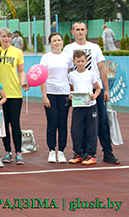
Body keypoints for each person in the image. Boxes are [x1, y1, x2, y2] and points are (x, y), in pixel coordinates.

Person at [63, 22, 119, 164]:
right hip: (79, 91)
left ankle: (107, 152)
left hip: (95, 90)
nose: (80, 32)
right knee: (80, 123)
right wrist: (70, 91)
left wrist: (106, 89)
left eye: (82, 29)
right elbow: (68, 71)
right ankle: (82, 152)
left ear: (86, 31)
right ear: (72, 32)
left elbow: (102, 68)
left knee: (102, 122)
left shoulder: (95, 47)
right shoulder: (68, 49)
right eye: (77, 30)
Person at [0, 27, 29, 165]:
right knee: (3, 124)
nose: (6, 38)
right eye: (3, 36)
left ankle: (19, 152)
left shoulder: (17, 52)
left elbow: (21, 70)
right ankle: (7, 151)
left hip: (14, 93)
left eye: (8, 36)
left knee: (15, 123)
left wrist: (22, 82)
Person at [40, 33, 73, 163]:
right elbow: (42, 77)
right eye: (54, 40)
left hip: (64, 93)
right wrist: (44, 96)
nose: (57, 42)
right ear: (50, 43)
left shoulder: (68, 57)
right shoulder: (46, 57)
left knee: (63, 123)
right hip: (50, 93)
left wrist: (71, 91)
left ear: (62, 42)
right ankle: (52, 150)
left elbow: (71, 75)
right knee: (52, 122)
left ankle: (61, 151)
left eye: (59, 40)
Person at [68, 51, 102, 165]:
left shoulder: (91, 74)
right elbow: (71, 89)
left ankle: (91, 155)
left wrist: (94, 96)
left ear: (87, 61)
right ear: (74, 62)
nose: (80, 63)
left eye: (82, 61)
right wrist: (71, 95)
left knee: (92, 130)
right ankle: (78, 154)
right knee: (75, 130)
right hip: (78, 106)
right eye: (78, 61)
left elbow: (98, 88)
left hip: (90, 106)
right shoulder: (71, 75)